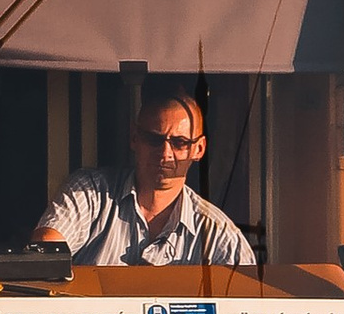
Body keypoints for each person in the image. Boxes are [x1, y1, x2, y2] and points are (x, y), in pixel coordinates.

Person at [31, 81, 256, 269]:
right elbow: (43, 258)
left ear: (198, 149)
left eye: (179, 143)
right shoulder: (90, 193)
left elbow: (249, 308)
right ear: (134, 138)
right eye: (154, 139)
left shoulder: (220, 234)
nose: (165, 153)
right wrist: (45, 253)